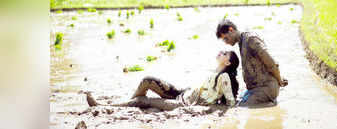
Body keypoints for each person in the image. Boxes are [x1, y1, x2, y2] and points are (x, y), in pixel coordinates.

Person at [85, 50, 240, 111]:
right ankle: (130, 103)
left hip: (184, 104)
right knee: (148, 80)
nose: (221, 52)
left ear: (228, 63)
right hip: (182, 92)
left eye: (225, 53)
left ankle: (103, 105)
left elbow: (231, 102)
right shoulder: (215, 70)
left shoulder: (225, 77)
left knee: (142, 100)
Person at [216, 19, 288, 107]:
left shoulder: (250, 39)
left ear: (231, 30)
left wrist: (279, 80)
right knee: (237, 101)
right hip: (255, 89)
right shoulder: (241, 42)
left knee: (242, 107)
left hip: (265, 87)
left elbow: (271, 62)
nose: (226, 42)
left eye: (226, 38)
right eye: (224, 40)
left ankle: (271, 104)